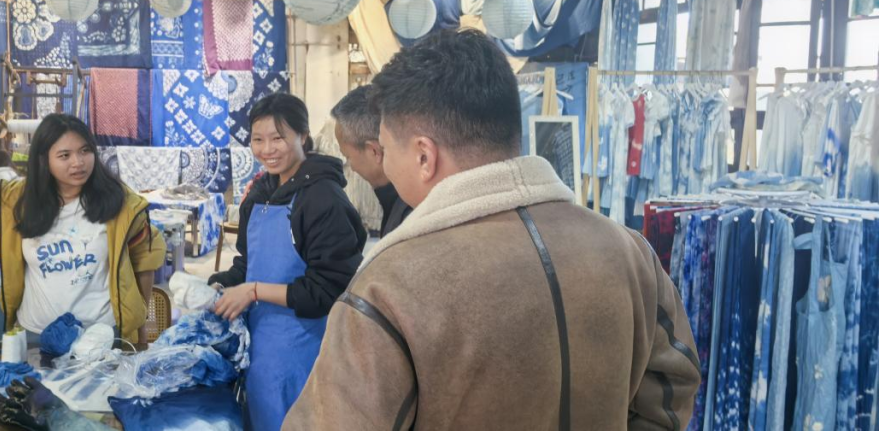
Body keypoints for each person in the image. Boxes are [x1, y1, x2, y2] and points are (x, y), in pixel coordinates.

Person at [284, 29, 701, 429]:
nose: (386, 164)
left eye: (387, 148)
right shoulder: (627, 250)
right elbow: (673, 386)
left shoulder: (389, 286)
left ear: (424, 156)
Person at [208, 93, 366, 431]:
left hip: (305, 351)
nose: (267, 149)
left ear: (303, 136)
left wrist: (252, 291)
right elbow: (248, 263)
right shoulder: (259, 194)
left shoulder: (324, 198)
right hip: (260, 348)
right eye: (258, 139)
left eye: (278, 138)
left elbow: (328, 289)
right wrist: (220, 284)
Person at [0, 114, 165, 343]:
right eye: (65, 155)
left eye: (85, 151)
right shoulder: (17, 203)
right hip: (35, 334)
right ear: (44, 159)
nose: (78, 162)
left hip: (102, 336)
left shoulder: (121, 203)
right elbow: (4, 257)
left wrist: (140, 325)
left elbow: (145, 261)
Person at [331, 85, 412, 237]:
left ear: (374, 151)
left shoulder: (410, 216)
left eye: (348, 157)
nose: (352, 168)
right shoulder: (401, 199)